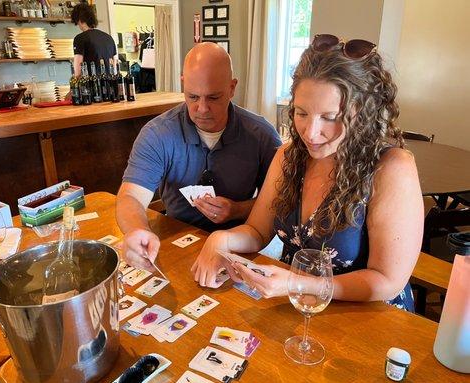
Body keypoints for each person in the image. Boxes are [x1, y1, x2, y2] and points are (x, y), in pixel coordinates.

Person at [192, 34, 423, 311]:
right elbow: (257, 230)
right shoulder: (288, 156)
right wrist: (222, 238)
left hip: (366, 317)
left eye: (330, 117)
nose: (310, 134)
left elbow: (387, 281)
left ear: (362, 112)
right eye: (301, 113)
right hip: (297, 307)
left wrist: (297, 284)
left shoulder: (391, 168)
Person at [116, 42, 282, 270]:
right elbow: (131, 197)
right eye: (193, 97)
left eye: (213, 98)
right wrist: (137, 230)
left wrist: (237, 209)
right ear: (183, 83)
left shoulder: (262, 135)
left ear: (232, 88)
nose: (202, 109)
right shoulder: (157, 133)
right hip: (175, 237)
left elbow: (279, 203)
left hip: (240, 244)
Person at [71, 3, 117, 76]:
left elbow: (78, 70)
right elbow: (114, 65)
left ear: (79, 19)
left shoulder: (80, 38)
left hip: (92, 85)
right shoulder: (109, 37)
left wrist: (75, 82)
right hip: (110, 84)